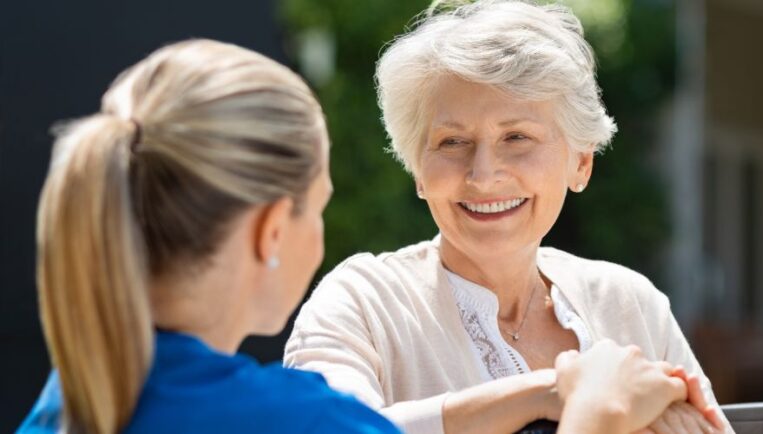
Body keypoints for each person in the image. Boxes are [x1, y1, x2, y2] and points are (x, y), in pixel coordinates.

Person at [18, 38, 694, 434]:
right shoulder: (300, 420)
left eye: (518, 138)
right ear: (269, 231)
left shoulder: (71, 398)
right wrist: (592, 415)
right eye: (319, 207)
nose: (484, 172)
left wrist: (547, 392)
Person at [283, 1, 733, 434]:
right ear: (418, 170)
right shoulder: (363, 302)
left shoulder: (630, 303)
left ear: (581, 163)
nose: (482, 175)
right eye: (452, 142)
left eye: (516, 136)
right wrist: (551, 394)